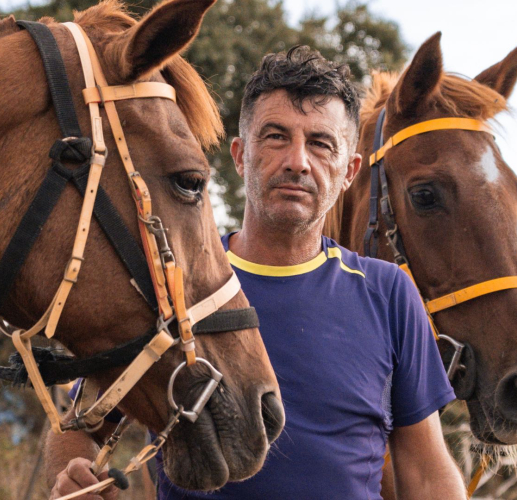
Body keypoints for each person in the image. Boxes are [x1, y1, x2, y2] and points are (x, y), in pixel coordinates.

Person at [47, 46, 465, 500]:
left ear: (349, 171)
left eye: (321, 144)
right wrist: (74, 476)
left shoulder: (388, 294)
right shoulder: (169, 282)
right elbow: (77, 427)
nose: (297, 161)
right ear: (240, 156)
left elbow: (428, 473)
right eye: (276, 137)